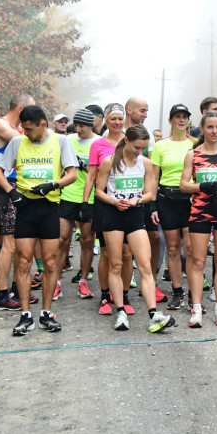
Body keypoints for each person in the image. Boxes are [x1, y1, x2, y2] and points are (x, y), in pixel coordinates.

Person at [0, 105, 78, 336]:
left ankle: (46, 314)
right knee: (22, 262)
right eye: (23, 128)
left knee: (50, 264)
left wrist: (53, 184)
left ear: (43, 124)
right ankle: (25, 315)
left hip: (49, 207)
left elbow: (72, 173)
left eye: (29, 129)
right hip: (26, 207)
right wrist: (11, 193)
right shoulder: (17, 142)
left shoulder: (61, 141)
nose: (25, 133)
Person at [94, 124, 174, 333]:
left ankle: (154, 315)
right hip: (113, 215)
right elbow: (98, 192)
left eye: (143, 148)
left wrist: (138, 199)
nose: (140, 152)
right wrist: (113, 202)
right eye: (137, 147)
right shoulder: (109, 162)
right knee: (116, 264)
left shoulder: (145, 163)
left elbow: (150, 194)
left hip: (135, 215)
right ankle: (120, 312)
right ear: (127, 140)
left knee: (145, 266)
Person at [181, 112, 217, 326]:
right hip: (199, 212)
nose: (214, 131)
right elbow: (183, 185)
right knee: (197, 261)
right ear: (202, 129)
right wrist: (203, 186)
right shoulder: (192, 154)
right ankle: (196, 309)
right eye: (210, 127)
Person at [0, 93, 36, 311]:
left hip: (22, 184)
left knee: (21, 243)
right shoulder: (0, 124)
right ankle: (2, 295)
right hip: (6, 185)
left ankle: (18, 291)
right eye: (30, 111)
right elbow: (24, 141)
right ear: (20, 109)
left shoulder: (18, 128)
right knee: (8, 243)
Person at [150, 104, 195, 310]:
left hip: (190, 200)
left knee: (191, 249)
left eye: (184, 117)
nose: (181, 120)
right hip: (167, 200)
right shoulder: (160, 145)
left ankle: (194, 295)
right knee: (174, 249)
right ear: (170, 120)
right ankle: (177, 292)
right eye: (177, 117)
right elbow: (153, 177)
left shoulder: (195, 144)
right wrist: (153, 205)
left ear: (188, 121)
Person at [86, 104, 129, 316]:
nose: (117, 122)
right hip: (105, 203)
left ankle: (124, 295)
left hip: (129, 203)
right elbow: (91, 177)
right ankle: (104, 295)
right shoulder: (98, 145)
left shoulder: (130, 141)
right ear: (105, 119)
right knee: (105, 253)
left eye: (120, 118)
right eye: (113, 118)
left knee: (127, 253)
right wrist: (85, 204)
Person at [125, 96, 166, 303]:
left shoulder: (147, 136)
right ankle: (121, 289)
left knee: (155, 238)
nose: (145, 114)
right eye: (142, 110)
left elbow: (148, 169)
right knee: (123, 251)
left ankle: (151, 282)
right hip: (119, 203)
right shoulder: (111, 133)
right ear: (129, 109)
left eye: (147, 111)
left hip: (143, 199)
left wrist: (148, 200)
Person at [58, 108, 98, 300]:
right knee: (61, 239)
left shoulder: (98, 142)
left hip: (89, 198)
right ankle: (56, 282)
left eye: (81, 125)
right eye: (77, 124)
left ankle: (83, 280)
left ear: (90, 125)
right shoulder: (67, 140)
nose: (78, 128)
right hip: (68, 194)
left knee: (87, 240)